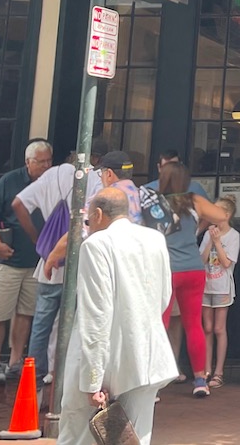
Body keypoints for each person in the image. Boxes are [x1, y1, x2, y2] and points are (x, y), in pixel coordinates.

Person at [58, 187, 178, 445]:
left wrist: (92, 379)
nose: (88, 227)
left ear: (99, 214)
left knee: (78, 435)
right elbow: (163, 296)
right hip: (149, 357)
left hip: (111, 363)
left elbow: (96, 316)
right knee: (135, 437)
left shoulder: (96, 245)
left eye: (89, 221)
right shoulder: (154, 239)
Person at [14, 149, 105, 387]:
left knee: (42, 323)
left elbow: (18, 204)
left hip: (48, 263)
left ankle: (33, 380)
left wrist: (38, 238)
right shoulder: (94, 179)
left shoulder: (49, 176)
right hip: (78, 262)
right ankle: (60, 377)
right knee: (72, 322)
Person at [139, 161, 228, 398]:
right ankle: (200, 379)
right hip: (193, 269)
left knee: (160, 324)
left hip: (166, 270)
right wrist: (197, 227)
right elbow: (221, 215)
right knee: (193, 325)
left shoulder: (152, 201)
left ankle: (154, 382)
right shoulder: (193, 200)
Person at [0, 139, 53, 385]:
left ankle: (14, 360)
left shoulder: (52, 182)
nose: (45, 166)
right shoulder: (10, 181)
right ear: (27, 162)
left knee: (26, 313)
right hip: (8, 259)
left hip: (37, 261)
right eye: (40, 162)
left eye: (48, 161)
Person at [200, 195, 240, 388]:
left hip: (222, 286)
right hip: (206, 285)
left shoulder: (233, 236)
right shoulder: (209, 234)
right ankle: (206, 369)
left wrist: (217, 242)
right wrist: (210, 240)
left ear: (226, 215)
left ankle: (219, 371)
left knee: (218, 328)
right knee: (206, 328)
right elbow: (201, 260)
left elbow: (226, 263)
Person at [97, 150, 143, 224]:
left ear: (109, 174)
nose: (101, 177)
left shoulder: (101, 199)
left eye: (101, 173)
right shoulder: (143, 194)